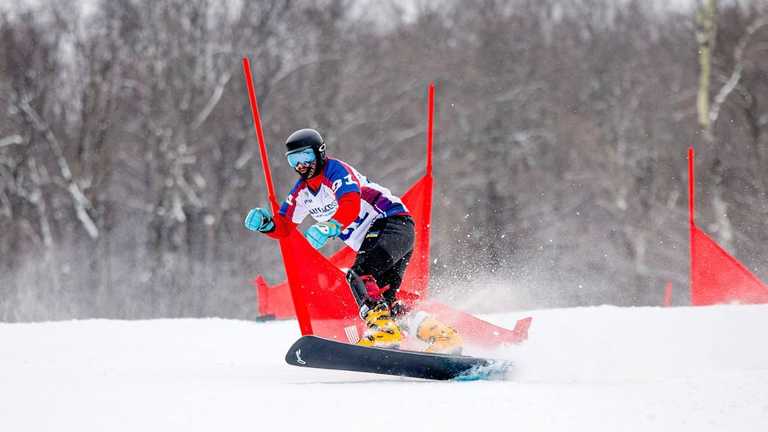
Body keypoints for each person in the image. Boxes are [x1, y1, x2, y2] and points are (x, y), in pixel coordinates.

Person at [244, 128, 462, 354]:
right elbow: (285, 226)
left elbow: (350, 204)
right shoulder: (302, 192)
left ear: (320, 153)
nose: (300, 165)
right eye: (293, 160)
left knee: (358, 274)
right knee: (386, 301)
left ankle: (384, 334)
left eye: (305, 157)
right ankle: (443, 337)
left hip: (392, 223)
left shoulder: (336, 172)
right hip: (384, 236)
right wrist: (267, 224)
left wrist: (330, 226)